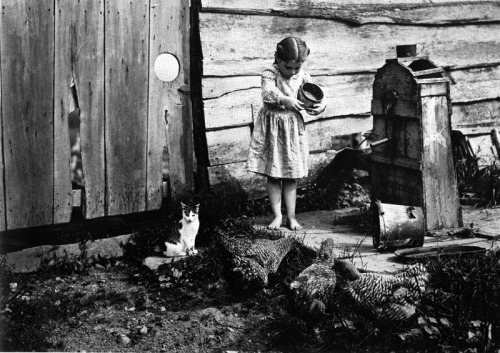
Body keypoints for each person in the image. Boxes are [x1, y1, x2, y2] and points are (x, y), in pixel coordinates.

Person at [246, 37, 326, 230]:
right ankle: (277, 216)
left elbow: (317, 95)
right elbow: (267, 93)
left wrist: (320, 106)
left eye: (297, 68)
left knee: (291, 174)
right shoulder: (269, 73)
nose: (293, 72)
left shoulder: (303, 76)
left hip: (292, 130)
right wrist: (284, 99)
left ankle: (292, 217)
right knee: (274, 174)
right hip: (273, 128)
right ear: (278, 60)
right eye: (289, 67)